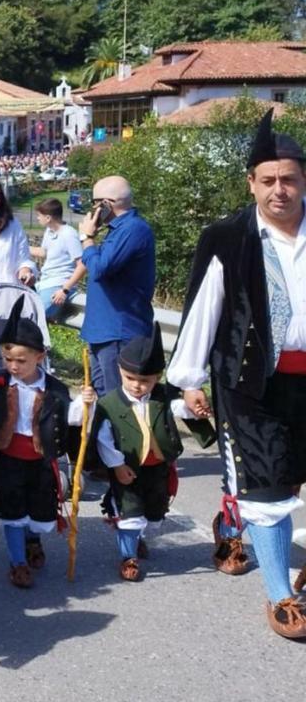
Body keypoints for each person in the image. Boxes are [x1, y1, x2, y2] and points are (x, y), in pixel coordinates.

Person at [168, 110, 306, 639]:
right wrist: (188, 379)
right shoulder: (227, 237)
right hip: (251, 385)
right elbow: (203, 307)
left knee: (280, 479)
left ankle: (230, 525)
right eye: (268, 180)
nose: (279, 190)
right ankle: (281, 597)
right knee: (267, 490)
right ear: (251, 183)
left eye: (289, 179)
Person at [0, 297, 89, 588]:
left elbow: (71, 416)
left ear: (40, 357)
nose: (12, 366)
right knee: (12, 508)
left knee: (39, 506)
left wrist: (86, 404)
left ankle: (33, 540)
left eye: (21, 361)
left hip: (41, 459)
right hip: (8, 457)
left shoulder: (54, 388)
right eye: (6, 359)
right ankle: (18, 562)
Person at [91, 323, 214, 582]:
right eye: (130, 378)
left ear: (156, 377)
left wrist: (196, 410)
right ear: (120, 371)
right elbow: (103, 439)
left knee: (153, 511)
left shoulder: (161, 398)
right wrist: (116, 465)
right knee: (129, 511)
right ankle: (128, 557)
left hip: (158, 468)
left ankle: (139, 539)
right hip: (127, 468)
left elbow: (180, 408)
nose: (137, 386)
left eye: (144, 381)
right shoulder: (109, 404)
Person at [77, 176, 156, 395]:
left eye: (95, 203)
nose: (92, 209)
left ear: (106, 204)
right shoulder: (117, 230)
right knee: (102, 400)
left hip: (119, 332)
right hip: (103, 330)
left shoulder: (133, 229)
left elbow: (100, 268)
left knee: (117, 402)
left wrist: (87, 238)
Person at [30, 198, 84, 323]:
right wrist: (19, 247)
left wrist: (65, 290)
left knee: (32, 319)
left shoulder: (69, 234)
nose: (37, 218)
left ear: (48, 218)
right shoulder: (49, 231)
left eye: (39, 215)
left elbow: (82, 265)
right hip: (44, 282)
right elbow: (43, 252)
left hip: (58, 285)